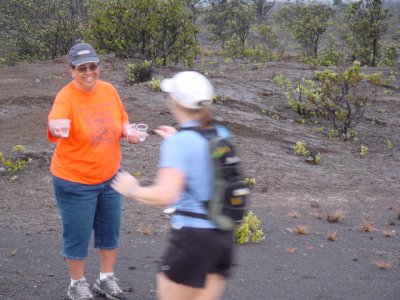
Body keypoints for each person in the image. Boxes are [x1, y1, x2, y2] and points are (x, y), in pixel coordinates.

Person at [111, 71, 235, 300]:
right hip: (223, 237)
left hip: (192, 239)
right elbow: (204, 164)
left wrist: (132, 189)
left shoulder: (180, 144)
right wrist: (177, 138)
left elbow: (165, 195)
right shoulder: (220, 132)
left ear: (175, 101)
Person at [48, 42, 140, 300]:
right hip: (74, 180)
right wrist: (57, 127)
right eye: (82, 68)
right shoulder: (66, 96)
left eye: (93, 66)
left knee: (110, 229)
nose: (89, 72)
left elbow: (122, 119)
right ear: (72, 70)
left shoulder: (109, 90)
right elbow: (56, 121)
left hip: (110, 176)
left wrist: (128, 131)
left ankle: (105, 279)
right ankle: (76, 283)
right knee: (77, 233)